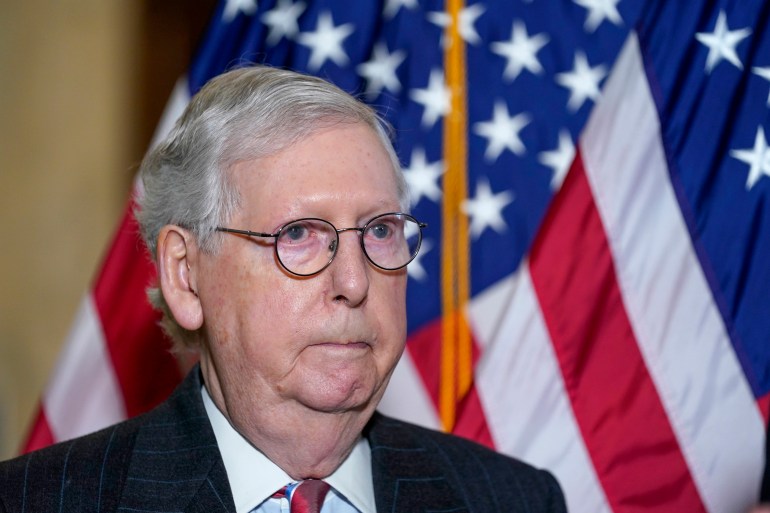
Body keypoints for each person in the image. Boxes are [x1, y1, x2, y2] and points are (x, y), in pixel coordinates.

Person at [0, 65, 567, 513]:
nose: (353, 281)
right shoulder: (39, 500)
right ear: (185, 275)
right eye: (298, 234)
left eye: (379, 231)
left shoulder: (513, 499)